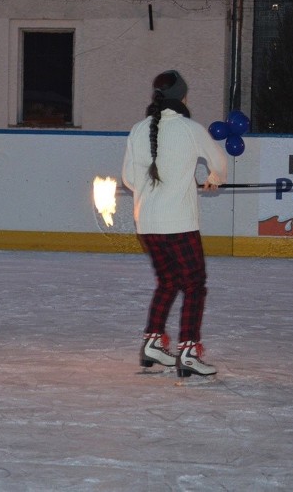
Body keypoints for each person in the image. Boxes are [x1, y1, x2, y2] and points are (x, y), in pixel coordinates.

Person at [122, 70, 227, 378]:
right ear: (182, 97)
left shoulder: (139, 130)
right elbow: (219, 162)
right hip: (179, 224)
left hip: (148, 226)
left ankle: (152, 343)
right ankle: (190, 350)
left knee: (168, 282)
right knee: (194, 285)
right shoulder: (189, 129)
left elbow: (129, 179)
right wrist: (213, 179)